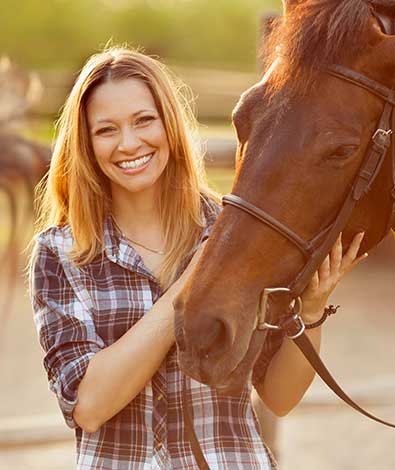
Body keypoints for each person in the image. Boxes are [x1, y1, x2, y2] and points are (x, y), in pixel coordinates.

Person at [29, 47, 366, 469]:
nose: (129, 143)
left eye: (143, 120)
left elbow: (279, 397)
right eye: (106, 130)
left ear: (169, 124)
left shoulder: (233, 231)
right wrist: (191, 281)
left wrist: (312, 312)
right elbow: (90, 405)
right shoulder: (60, 254)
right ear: (86, 143)